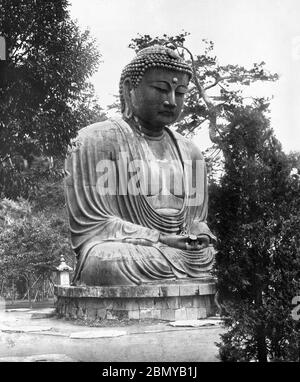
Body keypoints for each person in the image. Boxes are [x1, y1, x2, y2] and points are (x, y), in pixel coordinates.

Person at [65, 44, 216, 286]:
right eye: (160, 89)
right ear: (129, 89)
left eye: (180, 93)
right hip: (130, 250)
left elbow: (197, 219)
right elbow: (95, 225)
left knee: (213, 257)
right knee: (105, 261)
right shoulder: (94, 140)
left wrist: (200, 235)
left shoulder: (191, 152)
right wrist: (159, 239)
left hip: (181, 253)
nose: (170, 101)